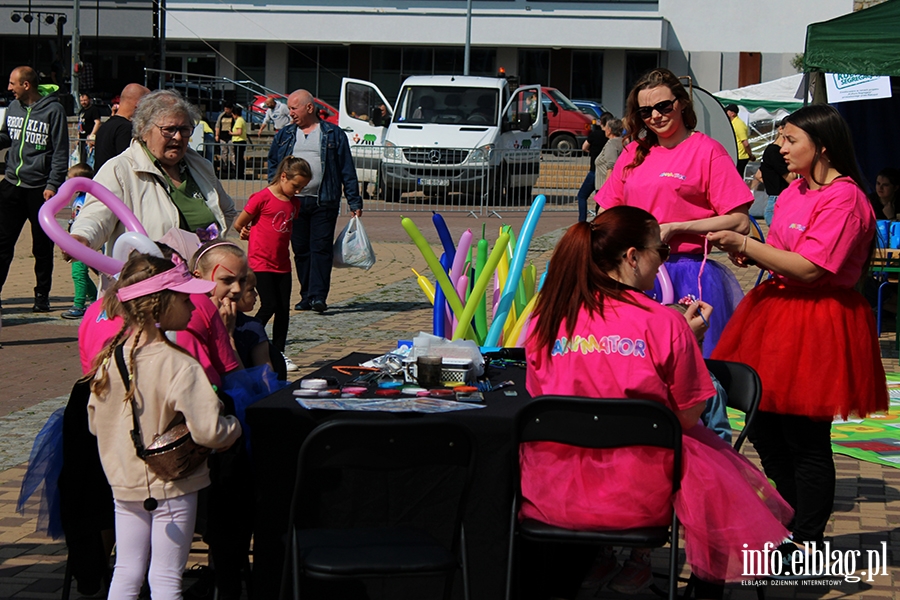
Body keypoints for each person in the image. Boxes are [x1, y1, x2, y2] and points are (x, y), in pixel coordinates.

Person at [520, 206, 792, 599]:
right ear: (632, 257)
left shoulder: (548, 317)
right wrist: (689, 341)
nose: (663, 260)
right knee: (710, 462)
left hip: (553, 486)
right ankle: (703, 586)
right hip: (641, 489)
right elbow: (687, 415)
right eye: (661, 252)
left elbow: (539, 395)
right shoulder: (664, 323)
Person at [708, 104, 889, 552]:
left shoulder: (845, 199)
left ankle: (806, 539)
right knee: (765, 427)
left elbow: (810, 269)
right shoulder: (795, 191)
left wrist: (747, 243)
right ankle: (792, 521)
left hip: (819, 323)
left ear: (822, 146)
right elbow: (785, 254)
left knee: (805, 438)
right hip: (775, 314)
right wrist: (755, 252)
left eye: (790, 140)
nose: (780, 148)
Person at [86, 252, 241, 600]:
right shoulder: (180, 365)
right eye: (186, 299)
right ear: (162, 304)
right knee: (167, 578)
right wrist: (234, 428)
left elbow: (96, 422)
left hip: (124, 482)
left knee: (126, 571)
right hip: (174, 484)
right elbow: (209, 432)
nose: (193, 306)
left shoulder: (111, 357)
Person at [597, 68, 752, 357]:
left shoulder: (707, 151)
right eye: (645, 111)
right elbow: (607, 210)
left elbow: (739, 220)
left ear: (680, 103)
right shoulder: (633, 153)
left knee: (691, 362)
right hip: (632, 273)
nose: (655, 116)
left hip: (690, 274)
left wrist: (677, 227)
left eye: (663, 106)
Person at [70, 89, 236, 290]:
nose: (177, 137)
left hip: (201, 288)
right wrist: (81, 237)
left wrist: (207, 247)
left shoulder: (199, 165)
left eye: (185, 129)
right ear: (144, 130)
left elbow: (226, 210)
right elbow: (96, 216)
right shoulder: (121, 169)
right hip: (147, 289)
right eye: (169, 129)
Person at [267, 89, 363, 313]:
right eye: (289, 108)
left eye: (294, 108)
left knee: (320, 249)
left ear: (309, 108)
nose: (290, 113)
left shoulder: (332, 134)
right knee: (301, 250)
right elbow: (274, 163)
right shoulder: (285, 135)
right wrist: (276, 193)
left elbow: (346, 168)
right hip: (294, 203)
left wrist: (354, 201)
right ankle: (306, 295)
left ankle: (318, 296)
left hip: (324, 202)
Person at [0, 66, 69, 312]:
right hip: (11, 185)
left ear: (26, 85)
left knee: (41, 247)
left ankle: (41, 296)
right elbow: (8, 137)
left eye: (12, 83)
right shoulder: (13, 108)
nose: (9, 88)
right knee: (2, 243)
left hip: (40, 190)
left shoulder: (54, 111)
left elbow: (61, 153)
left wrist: (52, 184)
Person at [233, 155, 311, 360]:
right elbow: (239, 223)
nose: (298, 191)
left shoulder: (294, 204)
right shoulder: (262, 198)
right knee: (269, 304)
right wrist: (244, 231)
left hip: (282, 264)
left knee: (283, 309)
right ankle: (246, 335)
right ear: (283, 177)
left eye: (302, 188)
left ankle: (279, 352)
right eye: (296, 186)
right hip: (260, 262)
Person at [62, 163, 98, 320]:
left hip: (83, 243)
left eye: (72, 180)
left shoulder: (89, 200)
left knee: (78, 273)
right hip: (75, 241)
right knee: (81, 273)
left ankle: (79, 305)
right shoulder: (79, 198)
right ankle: (97, 300)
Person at [93, 83, 151, 172]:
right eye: (148, 104)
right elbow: (127, 165)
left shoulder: (105, 126)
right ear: (139, 103)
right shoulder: (125, 129)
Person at [575, 112, 612, 222]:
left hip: (594, 171)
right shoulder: (612, 138)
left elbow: (584, 147)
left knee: (582, 195)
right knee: (600, 199)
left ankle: (582, 220)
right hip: (608, 172)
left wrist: (591, 152)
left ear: (601, 122)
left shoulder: (595, 134)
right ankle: (599, 220)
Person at [759, 119, 796, 225]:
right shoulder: (775, 152)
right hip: (779, 200)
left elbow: (759, 175)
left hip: (775, 198)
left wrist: (772, 182)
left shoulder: (770, 150)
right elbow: (792, 178)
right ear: (781, 129)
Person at [593, 117, 625, 191]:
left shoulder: (611, 143)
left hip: (605, 186)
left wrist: (607, 189)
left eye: (606, 128)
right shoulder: (623, 142)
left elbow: (611, 166)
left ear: (609, 130)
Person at [725, 103, 755, 175]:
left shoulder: (739, 124)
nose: (725, 113)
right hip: (735, 155)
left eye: (727, 111)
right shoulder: (733, 123)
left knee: (737, 176)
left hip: (740, 156)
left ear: (732, 113)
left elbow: (745, 143)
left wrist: (750, 155)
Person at [78, 92, 102, 166]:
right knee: (82, 159)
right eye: (81, 101)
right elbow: (79, 124)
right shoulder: (81, 111)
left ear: (89, 100)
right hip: (82, 138)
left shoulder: (93, 110)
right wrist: (78, 136)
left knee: (89, 160)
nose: (83, 102)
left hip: (89, 138)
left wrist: (92, 135)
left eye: (85, 100)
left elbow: (97, 122)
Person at [215, 101, 235, 178]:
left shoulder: (233, 117)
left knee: (232, 152)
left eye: (227, 109)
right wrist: (217, 135)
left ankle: (233, 166)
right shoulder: (221, 116)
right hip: (223, 136)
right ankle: (224, 166)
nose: (226, 110)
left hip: (231, 136)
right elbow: (218, 125)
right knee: (224, 152)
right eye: (225, 109)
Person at [230, 106, 248, 180]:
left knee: (238, 159)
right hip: (241, 141)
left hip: (238, 141)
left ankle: (238, 175)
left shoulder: (239, 121)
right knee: (240, 159)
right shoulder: (242, 120)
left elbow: (239, 132)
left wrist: (231, 133)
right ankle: (240, 174)